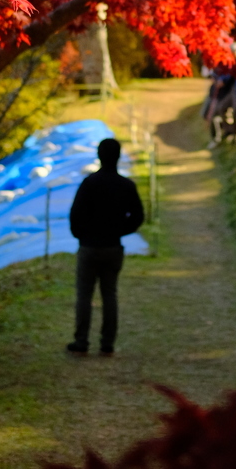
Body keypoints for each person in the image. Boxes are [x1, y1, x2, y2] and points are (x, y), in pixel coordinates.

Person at [66, 137, 144, 356]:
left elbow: (75, 215)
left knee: (84, 295)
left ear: (99, 156)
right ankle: (107, 343)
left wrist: (81, 235)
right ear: (118, 156)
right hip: (113, 247)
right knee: (109, 295)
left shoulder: (89, 183)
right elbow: (138, 216)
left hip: (89, 247)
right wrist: (120, 230)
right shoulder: (126, 186)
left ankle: (81, 341)